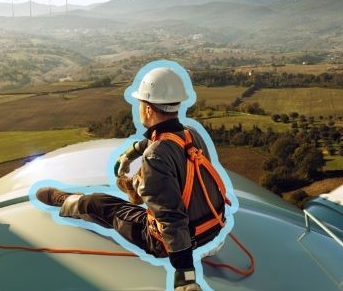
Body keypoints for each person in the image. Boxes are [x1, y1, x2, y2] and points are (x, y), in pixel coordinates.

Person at [36, 63, 231, 291]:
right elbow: (159, 139)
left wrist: (185, 276)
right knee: (150, 185)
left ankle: (66, 201)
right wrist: (130, 154)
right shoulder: (190, 133)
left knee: (102, 204)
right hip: (213, 228)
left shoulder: (156, 156)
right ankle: (136, 189)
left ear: (148, 109)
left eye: (140, 103)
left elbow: (171, 218)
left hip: (171, 243)